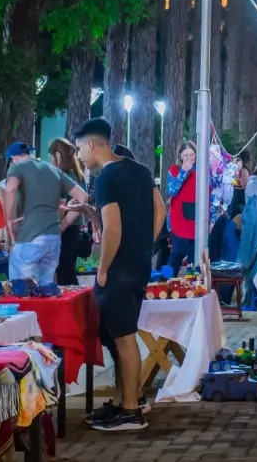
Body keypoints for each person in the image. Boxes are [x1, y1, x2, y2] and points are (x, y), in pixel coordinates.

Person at [74, 118, 164, 432]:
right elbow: (160, 209)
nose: (79, 156)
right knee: (117, 336)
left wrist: (102, 269)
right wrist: (145, 243)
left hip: (118, 269)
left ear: (91, 144)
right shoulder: (140, 170)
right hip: (138, 264)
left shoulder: (106, 178)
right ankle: (126, 399)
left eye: (79, 149)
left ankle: (131, 411)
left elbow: (113, 229)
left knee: (124, 339)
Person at [3, 141, 88, 284]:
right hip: (53, 238)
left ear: (13, 159)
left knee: (20, 287)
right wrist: (64, 223)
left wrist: (9, 220)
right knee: (46, 287)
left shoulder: (16, 167)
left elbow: (10, 189)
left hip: (29, 235)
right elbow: (83, 196)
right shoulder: (54, 170)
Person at [49, 137, 90, 285]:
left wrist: (62, 226)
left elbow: (79, 202)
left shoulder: (62, 176)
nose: (50, 161)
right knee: (67, 270)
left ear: (58, 156)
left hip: (66, 229)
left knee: (65, 274)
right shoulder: (79, 176)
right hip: (75, 230)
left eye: (51, 157)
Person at [166, 141, 199, 272]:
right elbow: (172, 191)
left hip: (196, 217)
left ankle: (193, 282)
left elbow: (210, 194)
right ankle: (165, 280)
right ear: (180, 156)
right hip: (178, 217)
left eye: (192, 155)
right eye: (186, 155)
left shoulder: (201, 171)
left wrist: (212, 218)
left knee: (194, 257)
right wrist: (184, 171)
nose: (189, 158)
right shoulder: (174, 170)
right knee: (177, 253)